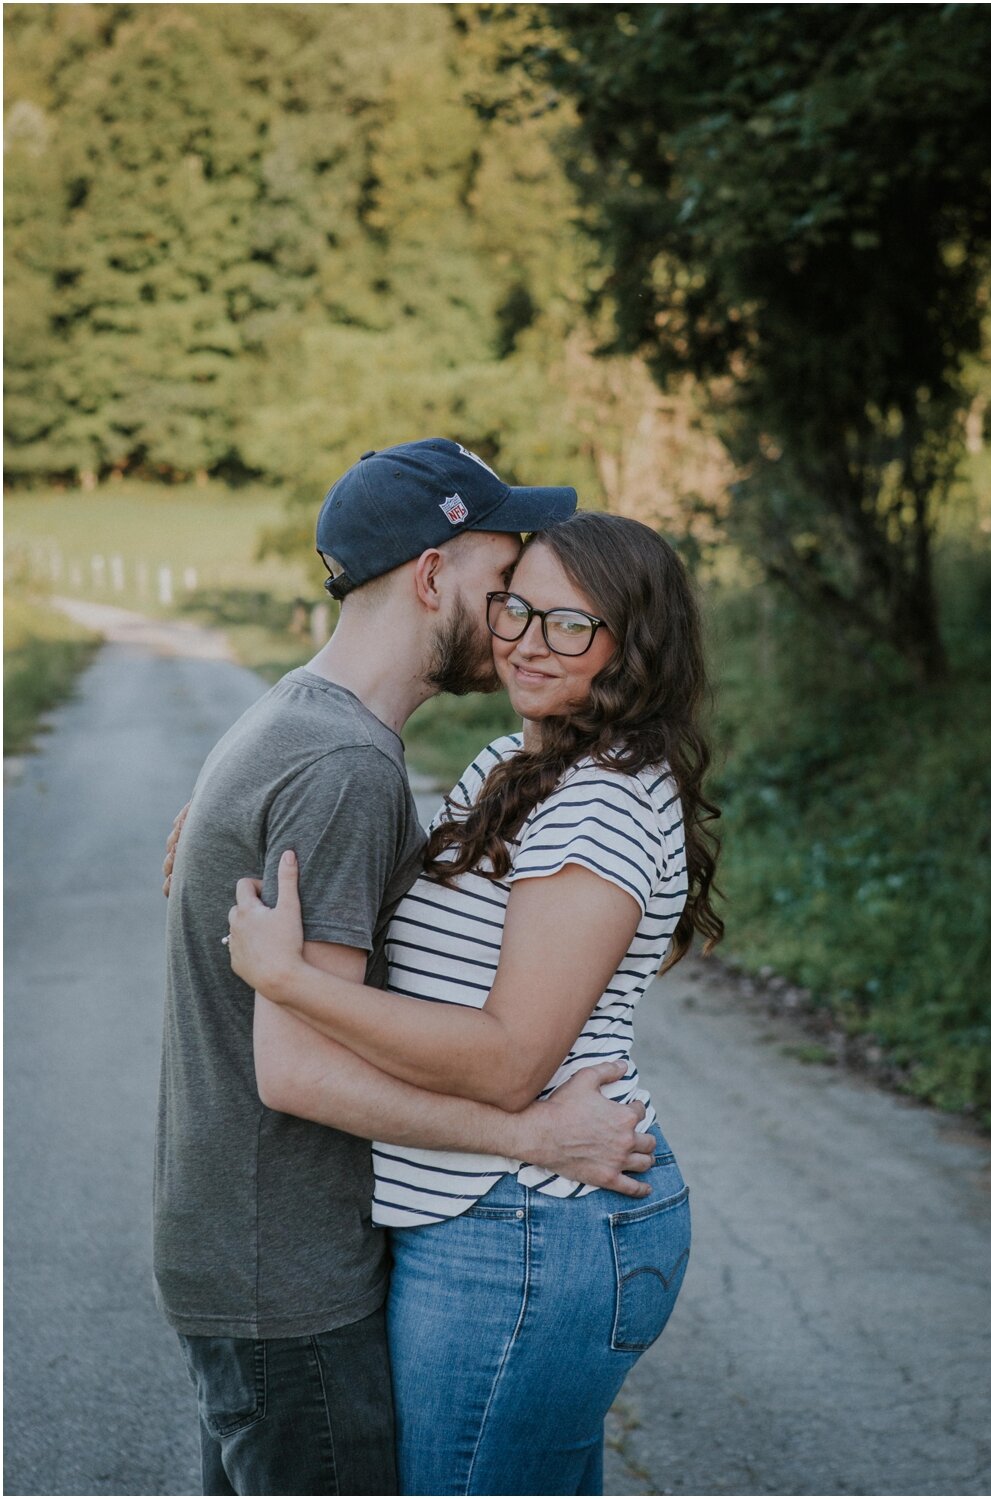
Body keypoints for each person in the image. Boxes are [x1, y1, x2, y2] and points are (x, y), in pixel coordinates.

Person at [156, 440, 658, 1496]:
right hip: (289, 1270)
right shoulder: (342, 764)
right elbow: (294, 1070)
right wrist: (527, 1133)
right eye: (502, 577)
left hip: (244, 1255)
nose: (518, 607)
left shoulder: (286, 716)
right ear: (432, 576)